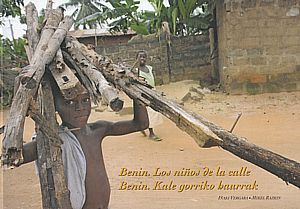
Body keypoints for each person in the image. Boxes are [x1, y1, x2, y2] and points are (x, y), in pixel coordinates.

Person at [20, 76, 149, 209]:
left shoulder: (98, 130)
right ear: (55, 105)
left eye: (85, 100)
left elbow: (141, 124)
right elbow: (16, 155)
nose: (79, 108)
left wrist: (135, 92)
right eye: (69, 102)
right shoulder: (54, 141)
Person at [136, 50, 163, 141]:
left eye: (144, 57)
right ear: (137, 59)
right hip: (144, 93)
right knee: (150, 112)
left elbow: (151, 79)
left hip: (153, 91)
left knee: (152, 111)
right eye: (140, 57)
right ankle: (151, 133)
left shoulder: (150, 68)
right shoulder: (136, 71)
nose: (142, 59)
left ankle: (141, 127)